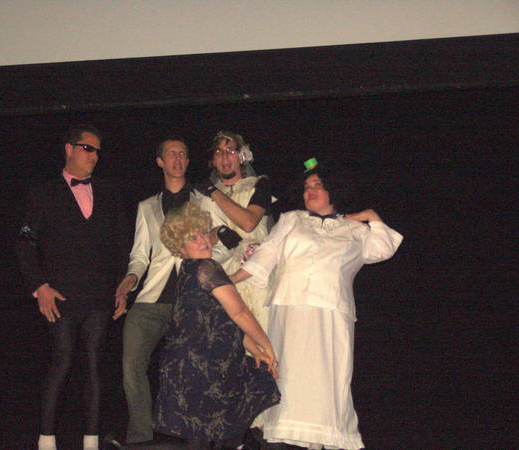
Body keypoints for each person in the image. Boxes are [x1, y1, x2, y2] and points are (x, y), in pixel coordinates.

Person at [230, 158, 404, 450]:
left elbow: (384, 248)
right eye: (306, 187)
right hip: (290, 309)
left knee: (326, 384)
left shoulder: (355, 231)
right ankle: (280, 436)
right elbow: (266, 255)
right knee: (287, 378)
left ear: (333, 190)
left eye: (317, 185)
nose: (309, 191)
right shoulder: (291, 220)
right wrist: (228, 280)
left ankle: (324, 438)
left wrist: (370, 216)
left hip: (331, 313)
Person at [16, 124, 127, 450]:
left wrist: (122, 287)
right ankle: (46, 440)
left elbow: (122, 245)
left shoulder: (109, 192)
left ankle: (90, 441)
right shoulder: (44, 192)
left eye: (97, 151)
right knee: (62, 360)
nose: (94, 156)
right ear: (69, 149)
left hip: (98, 296)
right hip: (61, 295)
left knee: (94, 365)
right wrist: (40, 286)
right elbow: (25, 243)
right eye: (87, 148)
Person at [154, 202, 280, 449]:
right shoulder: (207, 268)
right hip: (201, 367)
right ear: (180, 248)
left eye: (203, 233)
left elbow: (221, 320)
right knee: (207, 434)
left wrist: (255, 350)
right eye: (193, 238)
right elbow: (239, 312)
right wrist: (266, 345)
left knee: (203, 436)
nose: (203, 240)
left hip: (194, 365)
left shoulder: (188, 271)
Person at [114, 137, 210, 444]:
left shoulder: (205, 201)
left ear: (188, 161)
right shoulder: (146, 207)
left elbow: (217, 245)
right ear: (160, 161)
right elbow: (140, 255)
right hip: (152, 299)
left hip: (192, 298)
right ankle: (141, 438)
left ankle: (196, 437)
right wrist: (130, 278)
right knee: (131, 365)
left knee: (193, 369)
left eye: (183, 154)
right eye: (171, 154)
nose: (177, 159)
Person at [197, 131, 275, 332]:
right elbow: (200, 240)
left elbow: (249, 223)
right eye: (219, 152)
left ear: (242, 156)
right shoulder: (202, 197)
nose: (224, 156)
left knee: (262, 336)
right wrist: (216, 234)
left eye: (230, 151)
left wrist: (214, 193)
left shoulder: (259, 185)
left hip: (254, 273)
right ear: (213, 161)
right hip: (221, 275)